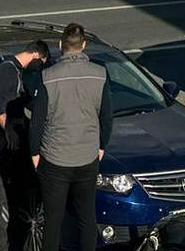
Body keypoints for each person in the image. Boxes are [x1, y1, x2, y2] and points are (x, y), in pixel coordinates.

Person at [31, 23, 113, 251]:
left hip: (54, 158)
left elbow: (37, 120)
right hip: (87, 157)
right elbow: (107, 117)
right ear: (84, 45)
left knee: (53, 220)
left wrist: (34, 153)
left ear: (60, 46)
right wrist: (101, 146)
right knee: (87, 217)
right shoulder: (100, 74)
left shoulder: (48, 76)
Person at [0, 39, 50, 251]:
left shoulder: (19, 72)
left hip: (10, 145)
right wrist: (8, 128)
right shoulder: (8, 70)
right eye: (43, 63)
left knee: (2, 195)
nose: (41, 68)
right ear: (37, 56)